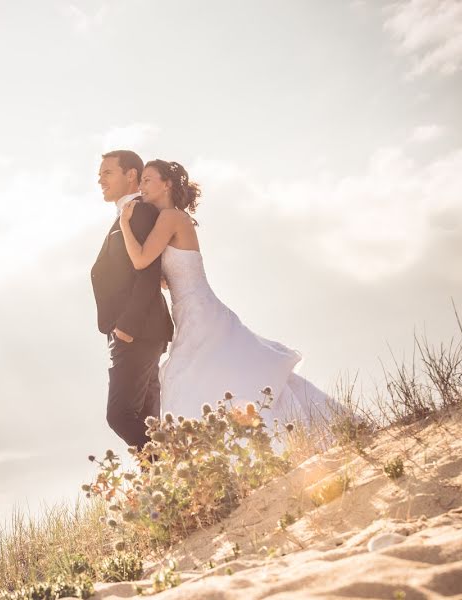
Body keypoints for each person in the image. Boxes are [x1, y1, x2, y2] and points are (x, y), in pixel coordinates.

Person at [119, 159, 340, 430]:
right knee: (214, 375)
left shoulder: (170, 217)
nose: (141, 186)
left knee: (194, 378)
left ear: (166, 184)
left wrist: (125, 224)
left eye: (147, 180)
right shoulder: (170, 220)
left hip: (198, 311)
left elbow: (140, 260)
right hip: (192, 309)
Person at [90, 150, 174, 452]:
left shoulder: (139, 212)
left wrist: (126, 326)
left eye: (107, 173)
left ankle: (171, 468)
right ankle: (166, 484)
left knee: (121, 416)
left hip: (137, 330)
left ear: (131, 176)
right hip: (139, 331)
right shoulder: (127, 214)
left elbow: (147, 272)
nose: (100, 179)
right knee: (147, 419)